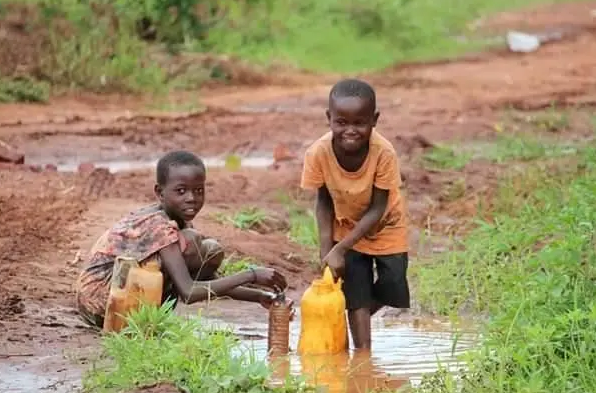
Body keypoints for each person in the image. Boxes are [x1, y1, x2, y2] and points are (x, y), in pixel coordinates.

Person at [75, 150, 288, 329]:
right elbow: (188, 290)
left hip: (115, 297)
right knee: (198, 245)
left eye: (198, 191)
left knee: (206, 249)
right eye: (181, 191)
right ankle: (142, 322)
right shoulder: (159, 226)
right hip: (104, 304)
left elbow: (205, 281)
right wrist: (250, 274)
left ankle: (147, 317)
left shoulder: (174, 220)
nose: (191, 198)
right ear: (160, 192)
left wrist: (258, 296)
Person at [300, 78, 410, 350]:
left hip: (385, 225)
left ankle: (341, 312)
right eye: (341, 122)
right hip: (346, 226)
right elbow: (323, 202)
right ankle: (362, 355)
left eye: (359, 123)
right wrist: (327, 250)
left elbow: (378, 207)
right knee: (357, 290)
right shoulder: (318, 153)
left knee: (393, 284)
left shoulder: (383, 153)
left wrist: (340, 249)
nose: (350, 130)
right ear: (329, 119)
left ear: (374, 120)